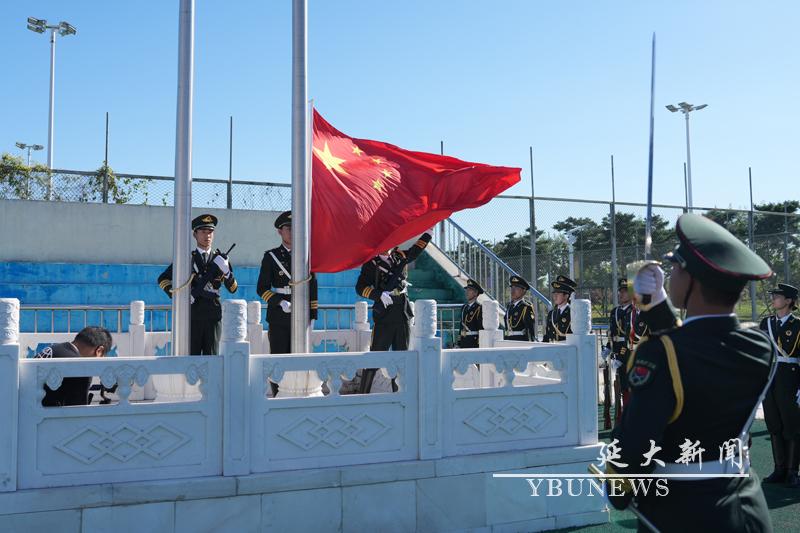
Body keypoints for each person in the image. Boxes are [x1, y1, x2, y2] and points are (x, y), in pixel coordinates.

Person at [605, 213, 774, 532]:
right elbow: (701, 347)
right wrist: (658, 307)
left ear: (691, 281)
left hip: (682, 510)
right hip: (745, 504)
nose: (671, 276)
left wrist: (618, 487)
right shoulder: (760, 346)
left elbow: (635, 445)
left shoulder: (658, 353)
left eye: (675, 268)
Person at [355, 230, 432, 393]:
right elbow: (360, 288)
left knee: (402, 357)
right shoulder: (371, 263)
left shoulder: (399, 256)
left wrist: (428, 233)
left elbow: (416, 250)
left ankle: (400, 396)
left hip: (402, 312)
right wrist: (378, 295)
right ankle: (363, 395)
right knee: (375, 357)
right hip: (385, 315)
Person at [157, 214, 238, 355]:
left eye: (210, 232)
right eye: (203, 232)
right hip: (193, 315)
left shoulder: (219, 259)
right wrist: (178, 295)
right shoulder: (187, 258)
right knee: (192, 358)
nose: (207, 236)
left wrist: (226, 272)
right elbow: (163, 279)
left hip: (213, 315)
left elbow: (233, 288)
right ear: (195, 234)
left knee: (212, 357)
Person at [256, 210, 318, 395]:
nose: (292, 232)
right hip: (279, 316)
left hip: (301, 313)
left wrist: (313, 315)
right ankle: (277, 395)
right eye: (288, 228)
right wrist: (279, 301)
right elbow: (261, 289)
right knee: (278, 358)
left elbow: (313, 287)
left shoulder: (306, 256)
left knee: (299, 358)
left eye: (295, 228)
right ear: (280, 231)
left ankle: (297, 394)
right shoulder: (271, 257)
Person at [759, 283, 800, 487]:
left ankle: (792, 472)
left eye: (777, 296)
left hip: (790, 378)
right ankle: (779, 469)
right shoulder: (766, 323)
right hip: (770, 378)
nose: (773, 299)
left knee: (791, 426)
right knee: (774, 424)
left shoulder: (797, 324)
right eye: (773, 295)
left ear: (789, 300)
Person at [36, 326, 113, 407]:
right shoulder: (81, 369)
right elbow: (77, 411)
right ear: (99, 351)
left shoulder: (54, 349)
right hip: (46, 413)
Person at [602, 278, 631, 429]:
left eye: (625, 291)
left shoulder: (634, 311)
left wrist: (621, 355)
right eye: (620, 291)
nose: (621, 294)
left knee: (628, 385)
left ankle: (629, 415)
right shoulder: (615, 311)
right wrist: (608, 348)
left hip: (629, 353)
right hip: (616, 352)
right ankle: (621, 416)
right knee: (620, 385)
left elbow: (631, 336)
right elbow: (612, 333)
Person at [542, 275, 576, 342]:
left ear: (566, 296)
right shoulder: (551, 313)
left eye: (558, 293)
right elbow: (547, 336)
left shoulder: (573, 313)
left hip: (567, 346)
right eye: (554, 293)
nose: (555, 296)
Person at [503, 276, 537, 342]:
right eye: (512, 288)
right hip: (508, 341)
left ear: (523, 291)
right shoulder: (509, 306)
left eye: (516, 288)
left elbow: (530, 330)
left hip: (521, 342)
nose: (513, 291)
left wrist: (530, 343)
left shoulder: (526, 307)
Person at [458, 279, 484, 348]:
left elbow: (480, 328)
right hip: (464, 341)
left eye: (469, 290)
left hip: (473, 342)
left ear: (475, 293)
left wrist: (479, 343)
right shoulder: (464, 307)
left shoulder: (479, 308)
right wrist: (459, 342)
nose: (467, 292)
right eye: (467, 289)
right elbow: (461, 327)